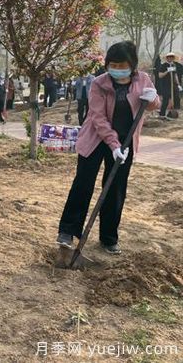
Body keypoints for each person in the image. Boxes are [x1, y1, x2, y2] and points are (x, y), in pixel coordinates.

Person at [56, 42, 160, 255]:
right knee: (83, 183)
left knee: (115, 189)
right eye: (113, 65)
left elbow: (152, 103)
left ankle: (108, 238)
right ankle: (68, 231)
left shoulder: (143, 80)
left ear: (132, 65)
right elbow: (98, 117)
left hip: (126, 141)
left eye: (122, 65)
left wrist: (153, 100)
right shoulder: (99, 83)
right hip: (96, 139)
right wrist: (113, 144)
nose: (118, 69)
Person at [158, 52, 183, 118]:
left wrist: (178, 84)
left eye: (172, 57)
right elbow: (160, 75)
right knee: (165, 100)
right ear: (167, 58)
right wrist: (167, 71)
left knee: (175, 98)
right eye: (169, 57)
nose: (170, 58)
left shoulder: (174, 65)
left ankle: (173, 112)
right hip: (165, 85)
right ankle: (162, 114)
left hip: (173, 85)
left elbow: (175, 75)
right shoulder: (163, 65)